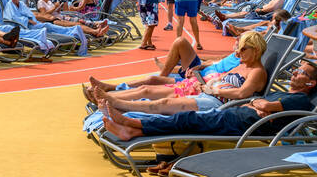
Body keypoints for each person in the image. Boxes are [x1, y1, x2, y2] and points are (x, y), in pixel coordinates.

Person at [101, 61, 317, 176]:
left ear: (310, 84)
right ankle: (135, 130)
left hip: (243, 124)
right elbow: (259, 103)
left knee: (186, 121)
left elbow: (264, 104)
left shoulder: (300, 101)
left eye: (301, 73)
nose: (294, 73)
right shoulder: (285, 94)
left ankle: (132, 125)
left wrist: (260, 105)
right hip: (237, 114)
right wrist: (257, 104)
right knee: (187, 120)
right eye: (296, 70)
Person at [99, 32, 269, 117]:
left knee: (165, 102)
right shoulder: (241, 65)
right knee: (151, 90)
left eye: (242, 49)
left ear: (256, 50)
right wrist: (203, 83)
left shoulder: (257, 72)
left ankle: (118, 104)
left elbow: (241, 93)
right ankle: (116, 102)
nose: (238, 53)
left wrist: (212, 91)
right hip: (206, 91)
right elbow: (220, 77)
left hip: (218, 102)